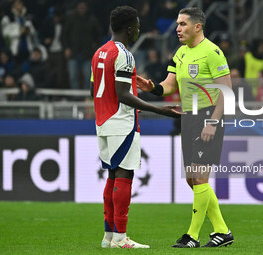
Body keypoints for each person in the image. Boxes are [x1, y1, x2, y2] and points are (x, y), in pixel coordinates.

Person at [137, 7, 233, 248]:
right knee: (192, 179)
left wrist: (213, 122)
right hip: (188, 118)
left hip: (209, 116)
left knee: (200, 177)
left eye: (182, 24)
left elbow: (227, 91)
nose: (177, 29)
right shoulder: (180, 54)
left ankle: (192, 236)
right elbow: (169, 85)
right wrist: (152, 88)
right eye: (178, 24)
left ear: (197, 27)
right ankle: (222, 231)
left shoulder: (213, 52)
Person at [90, 6, 181, 249]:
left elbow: (95, 91)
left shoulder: (99, 52)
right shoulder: (124, 55)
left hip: (102, 121)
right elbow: (123, 95)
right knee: (124, 175)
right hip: (121, 122)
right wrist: (160, 109)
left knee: (112, 176)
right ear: (129, 28)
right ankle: (120, 238)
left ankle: (109, 237)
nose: (138, 30)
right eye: (137, 26)